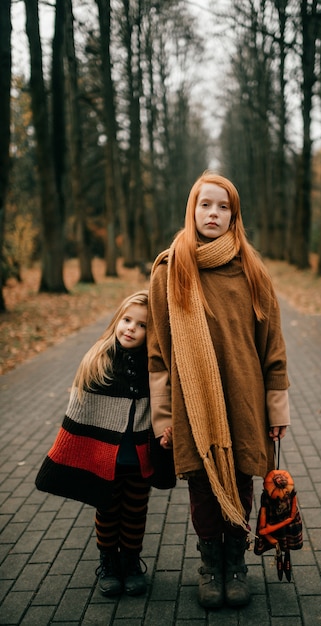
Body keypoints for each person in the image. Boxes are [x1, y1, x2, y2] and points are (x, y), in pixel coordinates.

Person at [147, 172, 290, 609]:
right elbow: (158, 351)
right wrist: (163, 416)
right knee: (201, 486)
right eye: (205, 204)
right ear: (192, 209)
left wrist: (277, 407)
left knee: (242, 479)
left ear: (234, 215)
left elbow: (273, 347)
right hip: (193, 405)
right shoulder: (171, 270)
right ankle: (210, 564)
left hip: (244, 398)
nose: (214, 213)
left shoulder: (252, 269)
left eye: (223, 206)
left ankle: (235, 562)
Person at [35, 290, 152, 597]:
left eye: (142, 325)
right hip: (104, 458)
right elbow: (79, 409)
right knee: (107, 509)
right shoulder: (98, 360)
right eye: (127, 320)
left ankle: (130, 561)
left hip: (138, 457)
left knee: (136, 511)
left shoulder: (154, 367)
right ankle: (109, 562)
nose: (131, 328)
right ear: (117, 320)